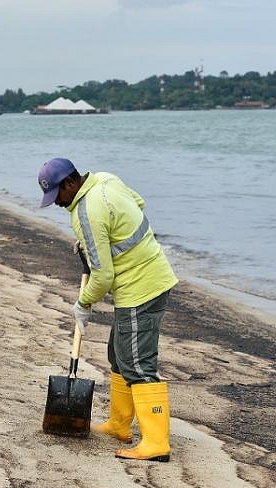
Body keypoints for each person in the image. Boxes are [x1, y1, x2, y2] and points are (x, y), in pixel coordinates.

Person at [38, 157, 179, 462]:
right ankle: (119, 424)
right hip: (149, 276)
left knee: (137, 363)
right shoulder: (105, 179)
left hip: (141, 286)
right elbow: (137, 204)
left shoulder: (86, 212)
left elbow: (103, 276)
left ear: (70, 184)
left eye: (57, 196)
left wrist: (83, 303)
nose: (58, 204)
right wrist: (96, 241)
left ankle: (156, 442)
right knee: (118, 353)